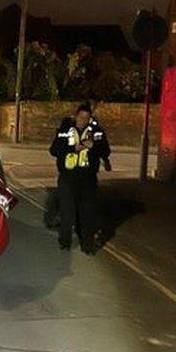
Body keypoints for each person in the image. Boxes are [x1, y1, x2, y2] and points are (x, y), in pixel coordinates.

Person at [49, 102, 111, 254]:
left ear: (90, 118)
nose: (83, 120)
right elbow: (54, 150)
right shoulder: (65, 130)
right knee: (67, 211)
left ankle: (87, 245)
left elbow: (106, 150)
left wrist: (93, 147)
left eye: (87, 118)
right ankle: (65, 241)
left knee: (87, 213)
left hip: (88, 178)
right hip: (68, 177)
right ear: (76, 116)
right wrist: (72, 148)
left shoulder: (96, 132)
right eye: (81, 117)